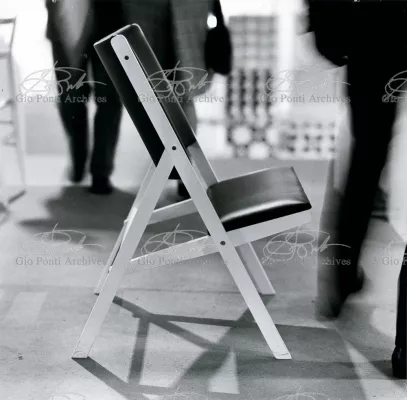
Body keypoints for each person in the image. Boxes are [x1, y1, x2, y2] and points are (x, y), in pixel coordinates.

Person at [306, 0, 407, 378]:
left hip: (370, 35)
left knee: (366, 157)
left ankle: (342, 271)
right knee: (368, 156)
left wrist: (325, 28)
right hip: (382, 28)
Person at [121, 0, 214, 198]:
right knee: (176, 93)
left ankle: (182, 169)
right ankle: (182, 169)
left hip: (165, 11)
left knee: (172, 92)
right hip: (176, 11)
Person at [45, 0, 124, 194]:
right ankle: (78, 159)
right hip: (65, 14)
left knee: (109, 98)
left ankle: (101, 171)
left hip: (110, 18)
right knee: (71, 98)